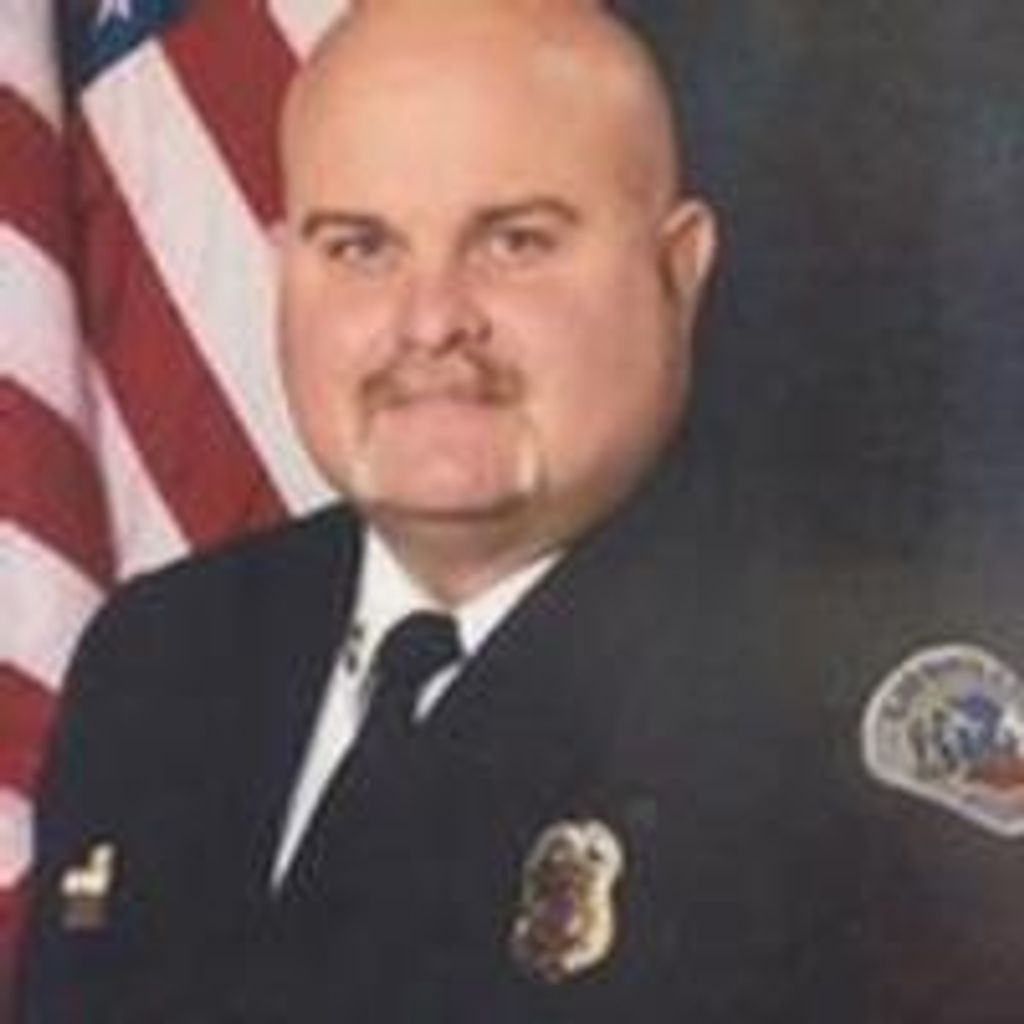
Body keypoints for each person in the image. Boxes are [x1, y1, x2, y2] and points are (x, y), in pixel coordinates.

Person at [17, 1, 1024, 1021]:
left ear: (677, 270)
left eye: (514, 241)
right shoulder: (163, 656)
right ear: (284, 273)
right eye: (361, 247)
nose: (430, 322)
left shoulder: (847, 699)